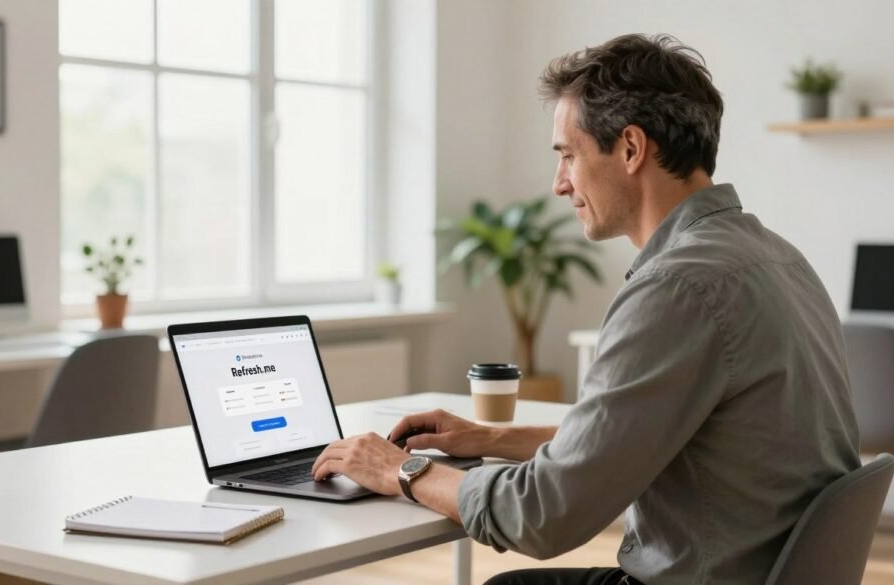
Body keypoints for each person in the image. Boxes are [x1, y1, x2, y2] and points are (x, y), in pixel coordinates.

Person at [311, 33, 860, 585]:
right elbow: (628, 439)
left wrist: (401, 469)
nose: (559, 183)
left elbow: (543, 515)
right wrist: (489, 439)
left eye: (569, 155)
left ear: (629, 148)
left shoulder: (676, 287)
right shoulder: (776, 257)